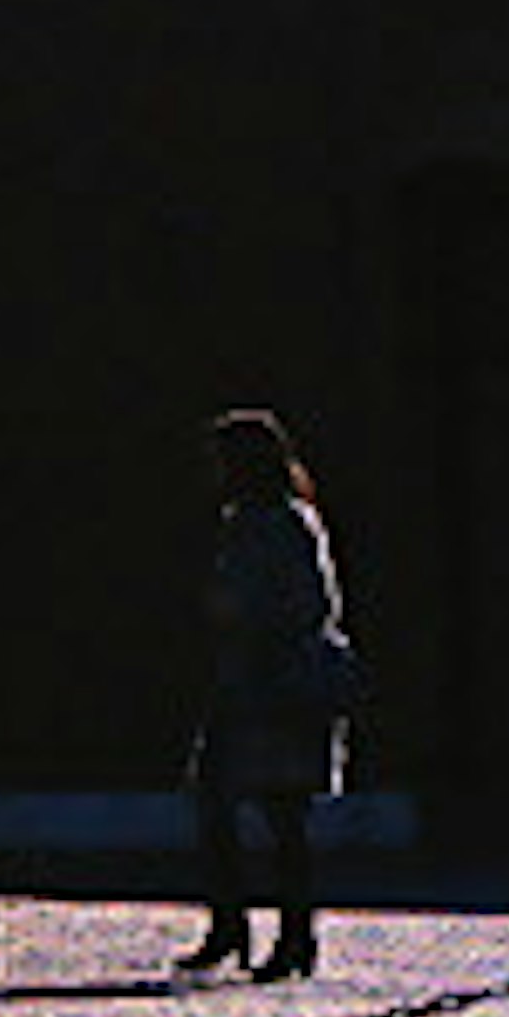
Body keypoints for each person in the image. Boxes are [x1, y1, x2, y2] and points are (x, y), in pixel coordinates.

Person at [184, 404, 351, 980]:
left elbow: (311, 603)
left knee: (284, 818)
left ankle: (293, 939)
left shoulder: (285, 522)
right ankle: (231, 927)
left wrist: (248, 619)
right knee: (216, 804)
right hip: (242, 683)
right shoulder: (243, 520)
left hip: (280, 687)